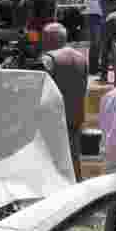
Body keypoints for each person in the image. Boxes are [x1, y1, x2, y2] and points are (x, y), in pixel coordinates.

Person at [40, 23, 88, 181]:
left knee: (54, 164)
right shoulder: (81, 58)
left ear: (48, 39)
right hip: (76, 116)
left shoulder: (48, 59)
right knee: (75, 160)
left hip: (55, 119)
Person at [84, 0, 105, 76]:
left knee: (95, 43)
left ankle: (94, 66)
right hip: (95, 16)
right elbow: (99, 4)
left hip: (92, 16)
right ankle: (94, 67)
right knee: (96, 43)